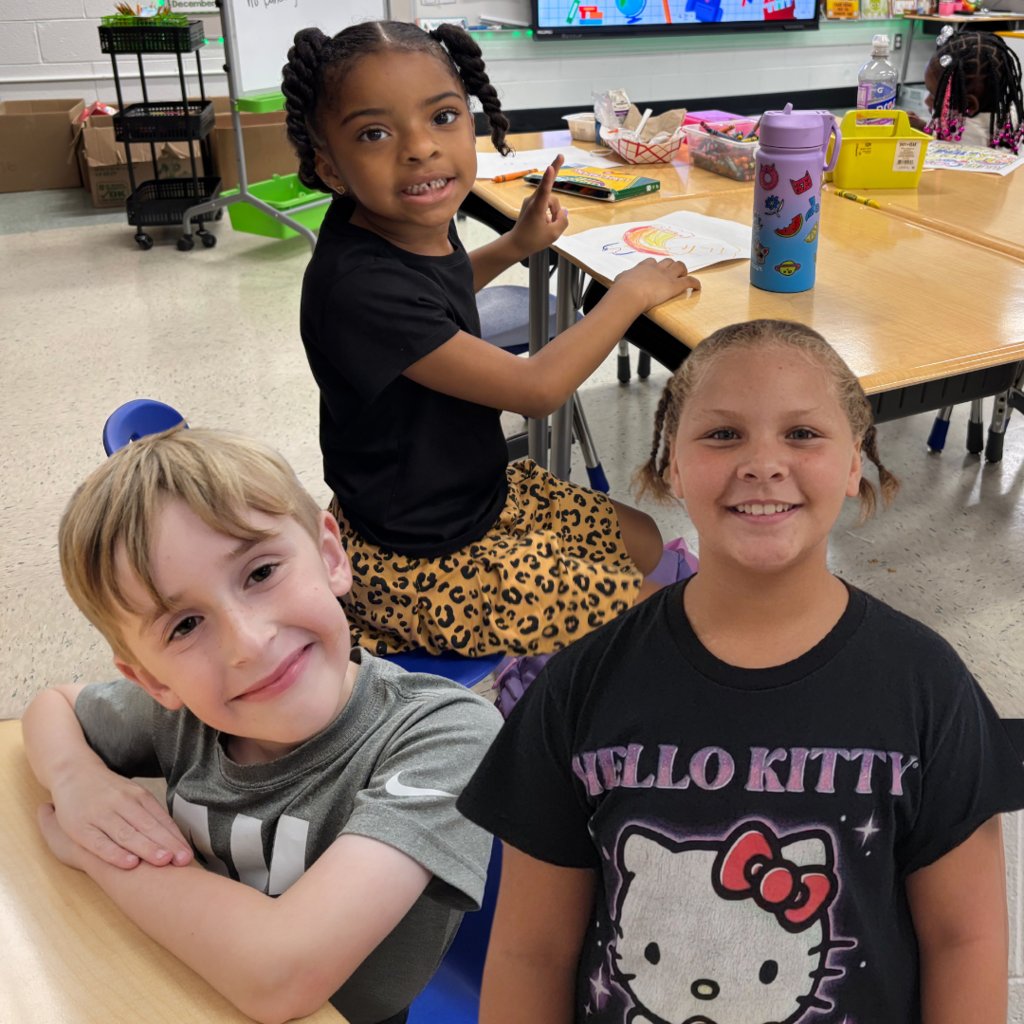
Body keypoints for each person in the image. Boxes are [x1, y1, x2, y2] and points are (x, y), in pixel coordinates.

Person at [457, 319, 1024, 1024]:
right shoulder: (581, 686)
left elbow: (963, 939)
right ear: (669, 464)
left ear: (855, 463)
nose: (762, 462)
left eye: (803, 434)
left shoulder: (927, 686)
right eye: (723, 434)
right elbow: (530, 952)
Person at [21, 426, 502, 1024]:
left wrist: (98, 854)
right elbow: (51, 707)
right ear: (152, 679)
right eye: (186, 626)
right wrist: (77, 783)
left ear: (330, 556)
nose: (248, 643)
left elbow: (281, 976)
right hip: (186, 988)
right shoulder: (186, 717)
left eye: (259, 573)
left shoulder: (446, 732)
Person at [281, 20, 700, 660]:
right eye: (375, 133)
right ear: (329, 168)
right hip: (423, 557)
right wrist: (630, 294)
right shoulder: (355, 286)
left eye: (444, 117)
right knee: (653, 628)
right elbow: (537, 390)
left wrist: (514, 246)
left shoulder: (406, 219)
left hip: (476, 496)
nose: (420, 149)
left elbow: (430, 299)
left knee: (641, 537)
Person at [908, 28, 1024, 152]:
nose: (926, 101)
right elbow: (941, 134)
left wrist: (918, 130)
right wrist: (921, 126)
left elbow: (940, 149)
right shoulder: (1007, 114)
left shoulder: (969, 135)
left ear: (968, 104)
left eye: (933, 95)